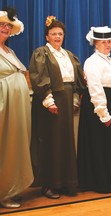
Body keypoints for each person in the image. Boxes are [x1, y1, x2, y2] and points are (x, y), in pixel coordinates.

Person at [29, 16, 85, 199]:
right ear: (47, 36)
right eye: (53, 34)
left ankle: (65, 183)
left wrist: (75, 98)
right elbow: (39, 78)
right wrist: (49, 100)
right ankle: (49, 185)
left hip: (67, 100)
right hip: (50, 101)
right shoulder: (41, 53)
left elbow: (76, 80)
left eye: (60, 34)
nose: (57, 37)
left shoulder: (69, 55)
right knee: (51, 142)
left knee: (66, 141)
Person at [77, 26, 111, 193]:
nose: (107, 44)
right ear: (95, 43)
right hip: (102, 108)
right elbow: (96, 88)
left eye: (109, 41)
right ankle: (102, 182)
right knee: (101, 144)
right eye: (103, 42)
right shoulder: (92, 62)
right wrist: (103, 114)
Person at [0, 7, 34, 208]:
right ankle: (4, 192)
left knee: (13, 148)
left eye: (8, 25)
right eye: (1, 24)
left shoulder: (9, 50)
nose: (5, 28)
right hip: (4, 110)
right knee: (5, 149)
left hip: (16, 111)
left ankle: (11, 189)